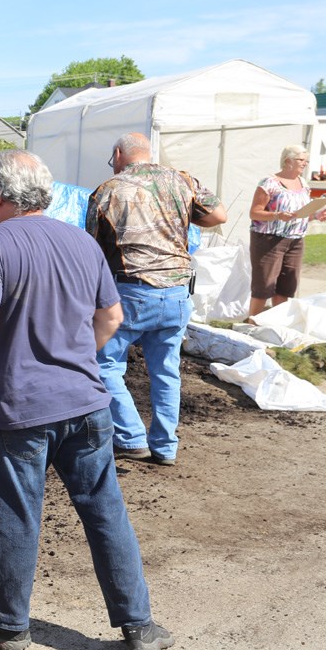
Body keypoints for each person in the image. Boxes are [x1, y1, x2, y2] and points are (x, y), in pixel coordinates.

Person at [0, 149, 173, 650]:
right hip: (87, 404)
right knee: (106, 513)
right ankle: (140, 626)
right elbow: (111, 318)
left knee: (16, 516)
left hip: (22, 411)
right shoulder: (81, 241)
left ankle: (7, 626)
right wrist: (73, 357)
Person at [86, 133, 226, 466]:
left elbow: (92, 249)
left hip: (131, 291)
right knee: (166, 372)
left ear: (118, 154)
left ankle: (132, 437)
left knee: (104, 365)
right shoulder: (183, 180)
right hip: (177, 292)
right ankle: (165, 447)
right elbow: (218, 215)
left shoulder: (107, 191)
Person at [247, 145, 326, 319]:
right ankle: (252, 323)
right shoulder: (269, 183)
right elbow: (254, 212)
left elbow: (299, 214)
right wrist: (277, 215)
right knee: (264, 286)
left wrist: (316, 215)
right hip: (268, 240)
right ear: (288, 161)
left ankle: (279, 323)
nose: (305, 163)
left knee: (287, 287)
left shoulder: (303, 183)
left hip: (296, 241)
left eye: (306, 160)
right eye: (301, 160)